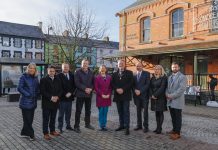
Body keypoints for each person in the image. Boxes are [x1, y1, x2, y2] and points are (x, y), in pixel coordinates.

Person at [17, 63, 39, 141]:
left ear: (35, 69)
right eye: (30, 68)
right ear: (28, 69)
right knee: (28, 120)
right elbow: (19, 88)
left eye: (33, 68)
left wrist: (37, 94)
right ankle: (31, 135)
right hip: (25, 102)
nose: (32, 69)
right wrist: (28, 94)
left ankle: (23, 133)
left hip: (33, 102)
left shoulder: (36, 78)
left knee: (29, 119)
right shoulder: (24, 77)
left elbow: (37, 88)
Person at [112, 59, 133, 135]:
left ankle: (127, 128)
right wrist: (116, 89)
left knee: (126, 112)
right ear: (117, 65)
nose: (121, 65)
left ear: (124, 65)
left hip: (126, 95)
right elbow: (112, 84)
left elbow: (131, 83)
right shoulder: (114, 74)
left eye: (122, 63)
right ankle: (121, 125)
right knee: (120, 111)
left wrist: (123, 89)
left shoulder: (129, 73)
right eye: (119, 63)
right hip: (118, 96)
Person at [40, 65, 62, 140]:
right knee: (46, 119)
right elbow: (43, 91)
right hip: (47, 103)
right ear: (48, 71)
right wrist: (51, 97)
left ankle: (52, 131)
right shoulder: (43, 79)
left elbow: (61, 90)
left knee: (53, 118)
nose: (52, 72)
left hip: (55, 102)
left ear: (55, 72)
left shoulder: (58, 79)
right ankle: (45, 133)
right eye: (50, 71)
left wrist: (57, 97)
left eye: (53, 71)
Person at [166, 62, 187, 140]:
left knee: (178, 117)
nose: (174, 68)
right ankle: (174, 130)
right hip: (170, 101)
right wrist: (166, 94)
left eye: (176, 67)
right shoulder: (170, 77)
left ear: (179, 68)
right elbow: (167, 88)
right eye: (173, 67)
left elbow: (181, 89)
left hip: (177, 101)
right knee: (173, 117)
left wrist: (171, 96)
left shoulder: (182, 77)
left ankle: (177, 133)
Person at [74, 59, 95, 133]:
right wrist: (85, 89)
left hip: (89, 94)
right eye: (83, 63)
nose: (85, 65)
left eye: (86, 63)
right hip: (80, 94)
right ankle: (76, 126)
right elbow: (77, 83)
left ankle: (87, 124)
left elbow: (93, 82)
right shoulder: (77, 72)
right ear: (81, 64)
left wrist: (91, 89)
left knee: (88, 111)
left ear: (88, 64)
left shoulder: (91, 72)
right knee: (78, 111)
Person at [57, 63, 76, 133]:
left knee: (68, 113)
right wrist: (65, 94)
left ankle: (68, 125)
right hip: (62, 98)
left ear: (69, 68)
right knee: (61, 114)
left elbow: (74, 85)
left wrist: (70, 93)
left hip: (70, 98)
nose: (66, 68)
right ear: (62, 68)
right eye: (64, 67)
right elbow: (58, 87)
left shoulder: (71, 75)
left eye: (67, 67)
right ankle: (60, 127)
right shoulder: (59, 76)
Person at [132, 62, 150, 133]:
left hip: (144, 96)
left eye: (139, 66)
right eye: (137, 66)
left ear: (142, 66)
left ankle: (146, 126)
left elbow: (147, 84)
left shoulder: (147, 73)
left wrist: (140, 91)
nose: (138, 67)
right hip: (136, 96)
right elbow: (132, 84)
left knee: (145, 112)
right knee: (138, 111)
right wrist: (135, 90)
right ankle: (139, 125)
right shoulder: (133, 74)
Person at [150, 65, 168, 134]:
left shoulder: (164, 77)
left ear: (161, 70)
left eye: (158, 69)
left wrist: (155, 95)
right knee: (156, 113)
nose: (156, 70)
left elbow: (162, 88)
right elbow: (150, 87)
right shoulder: (153, 78)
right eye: (155, 69)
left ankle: (159, 128)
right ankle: (157, 127)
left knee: (160, 112)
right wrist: (152, 95)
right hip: (153, 98)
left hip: (161, 98)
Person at [94, 65, 112, 131]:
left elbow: (110, 87)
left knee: (105, 111)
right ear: (99, 70)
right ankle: (102, 125)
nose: (103, 69)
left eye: (104, 68)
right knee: (101, 112)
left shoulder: (109, 77)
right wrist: (102, 94)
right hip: (100, 97)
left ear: (106, 69)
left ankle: (104, 125)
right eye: (101, 68)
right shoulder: (97, 78)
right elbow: (96, 88)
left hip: (107, 97)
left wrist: (109, 94)